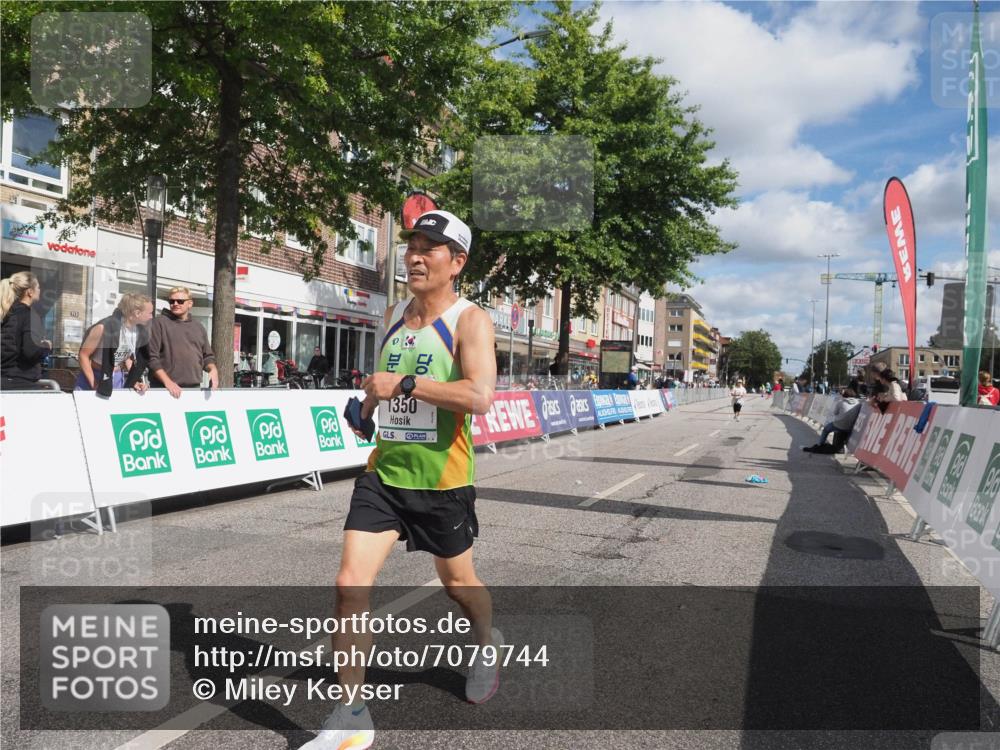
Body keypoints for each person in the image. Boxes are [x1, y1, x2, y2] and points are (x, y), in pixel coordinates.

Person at [302, 210, 498, 750]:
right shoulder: (390, 313)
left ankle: (485, 640)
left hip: (442, 482)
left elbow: (480, 398)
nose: (414, 255)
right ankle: (351, 713)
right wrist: (366, 404)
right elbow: (384, 385)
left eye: (429, 248)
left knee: (459, 586)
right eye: (411, 244)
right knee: (349, 586)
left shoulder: (469, 320)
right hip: (384, 475)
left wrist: (408, 383)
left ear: (456, 262)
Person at [75, 293, 153, 395]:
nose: (151, 317)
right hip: (94, 375)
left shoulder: (137, 331)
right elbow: (83, 355)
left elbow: (127, 358)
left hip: (116, 377)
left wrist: (134, 381)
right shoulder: (102, 328)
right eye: (150, 313)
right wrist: (94, 384)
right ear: (137, 313)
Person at [147, 287, 219, 397]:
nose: (175, 304)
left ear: (190, 304)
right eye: (171, 301)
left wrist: (213, 370)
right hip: (165, 389)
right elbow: (151, 358)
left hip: (193, 389)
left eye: (180, 301)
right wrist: (168, 383)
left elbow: (207, 356)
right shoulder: (159, 323)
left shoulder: (198, 327)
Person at [0, 271, 52, 390]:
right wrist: (46, 346)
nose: (40, 290)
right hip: (20, 382)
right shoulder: (30, 315)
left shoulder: (6, 313)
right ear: (30, 292)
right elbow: (30, 352)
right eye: (38, 287)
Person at [803, 388, 861, 453]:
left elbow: (835, 413)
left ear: (844, 395)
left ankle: (820, 444)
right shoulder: (858, 403)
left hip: (838, 425)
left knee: (826, 430)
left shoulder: (841, 402)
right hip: (850, 427)